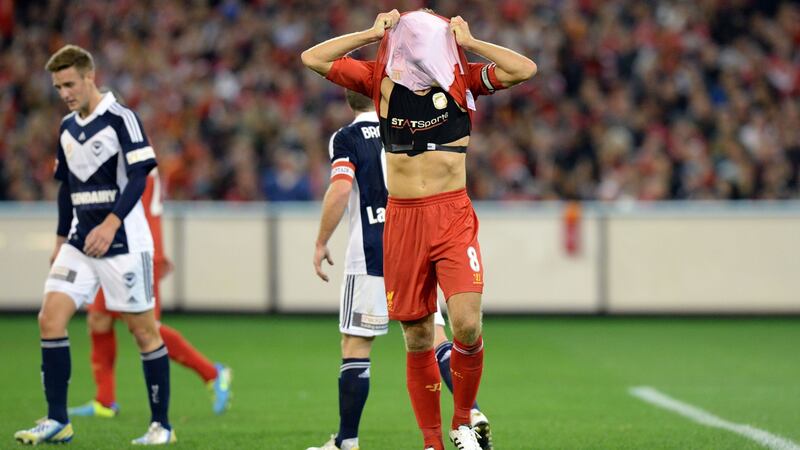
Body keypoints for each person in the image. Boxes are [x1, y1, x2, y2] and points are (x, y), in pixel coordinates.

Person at [302, 9, 536, 450]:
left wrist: (470, 42)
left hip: (451, 215)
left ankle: (462, 420)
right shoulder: (377, 81)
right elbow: (313, 57)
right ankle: (433, 443)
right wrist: (371, 33)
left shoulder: (462, 78)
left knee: (466, 325)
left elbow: (524, 69)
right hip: (403, 218)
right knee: (418, 336)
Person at [308, 90, 492, 450]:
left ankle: (347, 440)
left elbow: (342, 189)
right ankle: (471, 413)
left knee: (357, 344)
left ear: (349, 101)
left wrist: (320, 241)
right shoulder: (405, 125)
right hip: (418, 243)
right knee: (435, 340)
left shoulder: (346, 138)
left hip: (372, 250)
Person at [14, 44, 176, 445]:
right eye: (57, 87)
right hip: (79, 243)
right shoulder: (67, 127)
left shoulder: (122, 118)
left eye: (69, 84)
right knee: (49, 318)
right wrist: (58, 240)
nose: (65, 93)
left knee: (143, 332)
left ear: (89, 77)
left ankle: (162, 426)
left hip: (122, 241)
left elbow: (139, 176)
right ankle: (57, 420)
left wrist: (110, 221)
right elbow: (66, 190)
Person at [68, 168, 232, 419]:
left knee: (146, 328)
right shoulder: (130, 150)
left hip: (135, 250)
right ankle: (105, 400)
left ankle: (212, 373)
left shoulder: (128, 155)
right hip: (116, 248)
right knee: (99, 317)